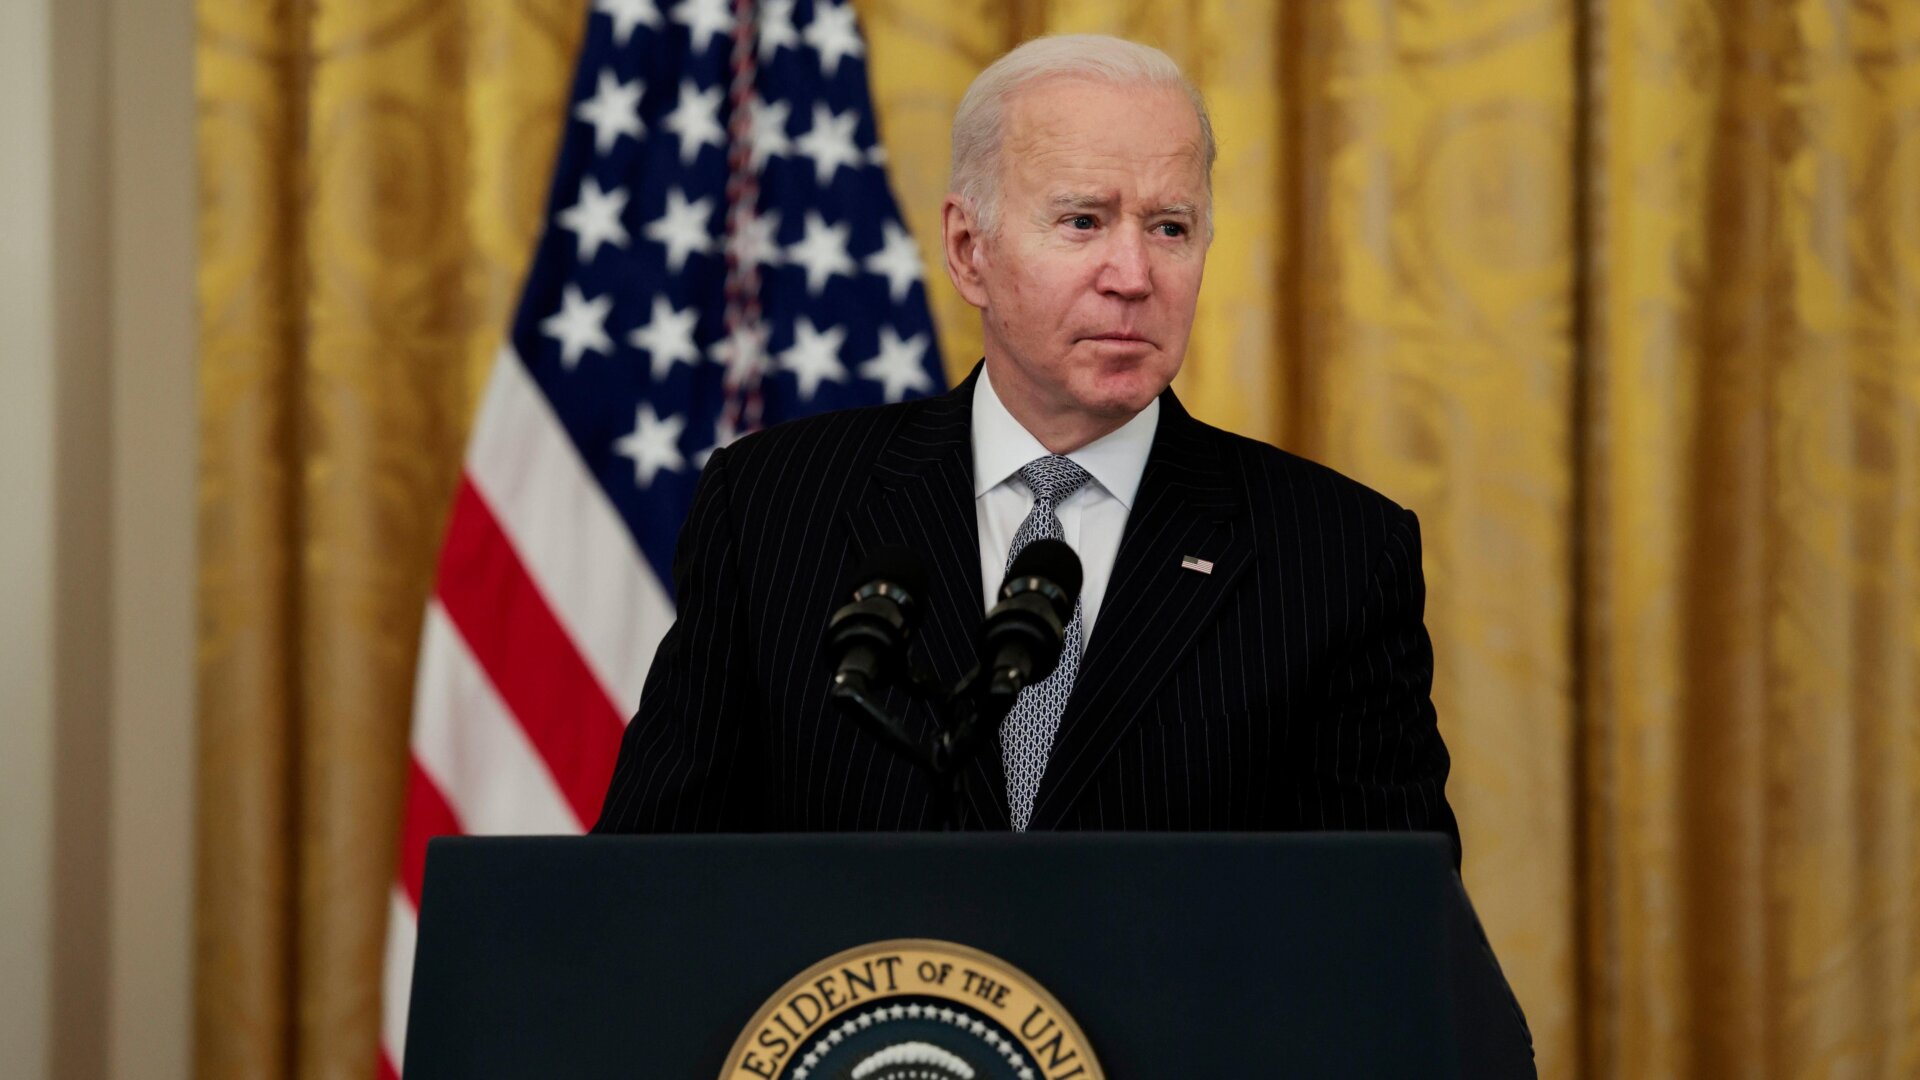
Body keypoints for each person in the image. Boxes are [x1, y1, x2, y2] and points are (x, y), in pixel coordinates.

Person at [594, 34, 1459, 858]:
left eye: (1170, 228)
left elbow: (1386, 935)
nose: (1133, 276)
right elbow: (652, 883)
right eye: (1083, 221)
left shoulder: (1337, 554)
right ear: (969, 250)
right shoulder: (774, 508)